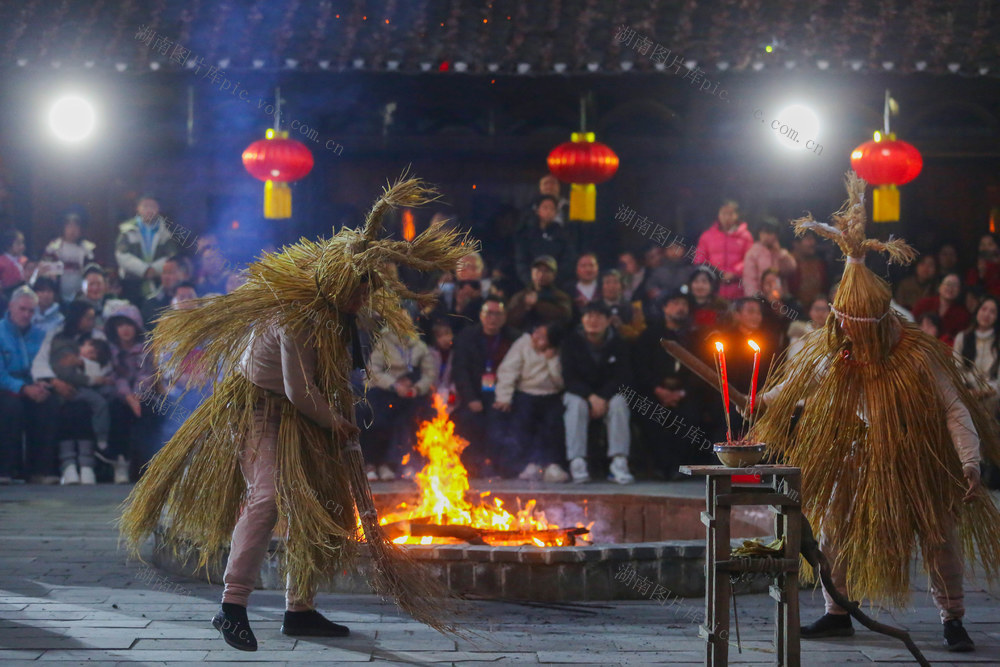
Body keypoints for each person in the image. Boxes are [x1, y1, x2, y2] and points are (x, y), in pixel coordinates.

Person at [120, 175, 469, 650]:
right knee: (266, 499)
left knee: (322, 504)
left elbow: (334, 376)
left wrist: (341, 414)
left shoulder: (336, 315)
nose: (365, 300)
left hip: (303, 415)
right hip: (261, 411)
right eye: (360, 292)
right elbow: (298, 389)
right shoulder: (295, 314)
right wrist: (336, 421)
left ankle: (299, 609)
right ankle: (231, 606)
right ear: (342, 286)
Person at [752, 173, 1000, 653]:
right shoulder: (833, 350)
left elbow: (954, 410)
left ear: (883, 321)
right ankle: (837, 610)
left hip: (918, 453)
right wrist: (759, 402)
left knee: (937, 536)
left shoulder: (920, 355)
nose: (856, 341)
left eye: (863, 332)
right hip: (857, 455)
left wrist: (969, 462)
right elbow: (793, 388)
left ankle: (953, 617)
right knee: (836, 528)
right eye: (847, 330)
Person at [633, 290, 710, 479]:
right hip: (655, 391)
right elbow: (640, 367)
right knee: (651, 415)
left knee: (690, 414)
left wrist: (682, 393)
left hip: (687, 392)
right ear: (665, 308)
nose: (680, 308)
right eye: (675, 303)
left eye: (684, 304)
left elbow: (702, 368)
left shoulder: (696, 337)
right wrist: (658, 390)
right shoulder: (650, 335)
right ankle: (659, 467)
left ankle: (681, 467)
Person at [561, 302, 633, 484]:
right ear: (582, 319)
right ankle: (577, 461)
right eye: (589, 316)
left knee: (620, 403)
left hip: (608, 394)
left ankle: (619, 462)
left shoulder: (618, 343)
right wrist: (590, 397)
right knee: (575, 405)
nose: (593, 321)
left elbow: (622, 377)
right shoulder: (571, 342)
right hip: (580, 393)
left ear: (608, 321)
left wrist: (603, 397)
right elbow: (569, 378)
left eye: (599, 317)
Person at [362, 313, 436, 481]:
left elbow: (429, 374)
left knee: (412, 420)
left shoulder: (419, 346)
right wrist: (395, 385)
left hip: (411, 392)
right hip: (384, 390)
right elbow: (374, 371)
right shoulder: (383, 343)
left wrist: (417, 388)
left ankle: (398, 463)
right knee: (377, 419)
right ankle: (373, 463)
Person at [451, 297, 519, 477]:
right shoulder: (467, 336)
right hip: (474, 393)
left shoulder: (514, 338)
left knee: (501, 421)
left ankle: (500, 468)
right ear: (481, 315)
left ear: (504, 317)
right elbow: (460, 370)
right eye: (489, 313)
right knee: (468, 419)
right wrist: (471, 399)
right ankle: (473, 467)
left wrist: (505, 397)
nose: (493, 318)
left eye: (498, 314)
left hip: (502, 393)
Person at [0, 287, 60, 484]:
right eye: (22, 309)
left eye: (30, 311)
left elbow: (45, 364)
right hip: (6, 386)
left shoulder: (40, 334)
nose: (26, 314)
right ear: (11, 307)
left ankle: (41, 470)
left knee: (49, 403)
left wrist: (41, 384)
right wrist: (23, 388)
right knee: (11, 407)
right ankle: (6, 469)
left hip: (33, 382)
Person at [494, 323, 567, 482]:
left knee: (553, 424)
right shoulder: (522, 344)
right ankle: (526, 465)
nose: (536, 337)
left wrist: (551, 360)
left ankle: (552, 465)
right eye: (536, 332)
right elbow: (508, 371)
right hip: (525, 392)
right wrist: (504, 397)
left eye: (542, 337)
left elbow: (560, 382)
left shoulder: (559, 351)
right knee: (522, 423)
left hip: (551, 394)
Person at [115, 195, 182, 303]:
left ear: (158, 209)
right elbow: (121, 255)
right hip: (131, 282)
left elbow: (172, 255)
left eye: (153, 206)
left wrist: (154, 269)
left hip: (158, 281)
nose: (149, 210)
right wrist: (144, 270)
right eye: (145, 206)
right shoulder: (127, 229)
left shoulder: (166, 231)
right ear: (138, 208)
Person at [694, 199, 754, 300]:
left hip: (738, 288)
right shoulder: (707, 236)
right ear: (718, 214)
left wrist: (734, 273)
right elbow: (699, 260)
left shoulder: (746, 236)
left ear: (737, 215)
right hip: (714, 289)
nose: (727, 217)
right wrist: (714, 273)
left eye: (730, 214)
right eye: (723, 213)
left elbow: (749, 260)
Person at [514, 195, 576, 286]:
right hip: (530, 285)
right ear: (537, 210)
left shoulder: (563, 235)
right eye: (545, 207)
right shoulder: (526, 235)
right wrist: (531, 282)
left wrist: (553, 280)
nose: (548, 211)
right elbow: (521, 261)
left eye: (552, 209)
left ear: (556, 212)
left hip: (556, 286)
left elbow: (568, 260)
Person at [506, 255, 573, 330]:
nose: (541, 275)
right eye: (538, 270)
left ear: (554, 275)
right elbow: (509, 320)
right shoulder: (520, 296)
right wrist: (525, 306)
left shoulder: (561, 296)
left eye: (546, 271)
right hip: (524, 337)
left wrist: (538, 304)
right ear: (531, 272)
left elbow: (565, 319)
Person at [43, 212, 96, 303]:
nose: (72, 230)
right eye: (69, 226)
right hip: (58, 297)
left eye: (76, 226)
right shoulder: (54, 248)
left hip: (81, 297)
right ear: (63, 228)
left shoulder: (87, 249)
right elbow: (48, 275)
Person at [742, 219, 797, 298]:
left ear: (776, 235)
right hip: (761, 298)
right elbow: (749, 280)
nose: (766, 236)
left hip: (780, 297)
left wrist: (779, 252)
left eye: (770, 233)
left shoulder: (780, 252)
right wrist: (755, 299)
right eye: (763, 232)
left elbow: (791, 269)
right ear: (759, 233)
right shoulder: (753, 253)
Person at [912, 273, 970, 346]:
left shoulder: (962, 314)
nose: (951, 288)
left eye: (955, 285)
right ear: (939, 286)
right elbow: (911, 323)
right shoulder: (924, 303)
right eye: (948, 284)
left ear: (959, 290)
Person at [141, 256, 191, 328]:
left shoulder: (194, 297)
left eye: (171, 272)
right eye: (164, 272)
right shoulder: (151, 303)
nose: (166, 277)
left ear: (184, 275)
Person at [598, 269, 645, 341]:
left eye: (615, 282)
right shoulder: (593, 307)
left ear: (622, 286)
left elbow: (639, 335)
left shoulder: (633, 308)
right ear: (601, 287)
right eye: (607, 282)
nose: (611, 286)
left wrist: (621, 327)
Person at [686, 266, 729, 333]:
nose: (700, 286)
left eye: (704, 282)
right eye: (696, 281)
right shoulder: (685, 305)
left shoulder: (721, 306)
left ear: (712, 285)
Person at [0, 228, 27, 293]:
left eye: (23, 243)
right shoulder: (1, 262)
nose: (22, 246)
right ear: (8, 245)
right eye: (18, 243)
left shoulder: (25, 260)